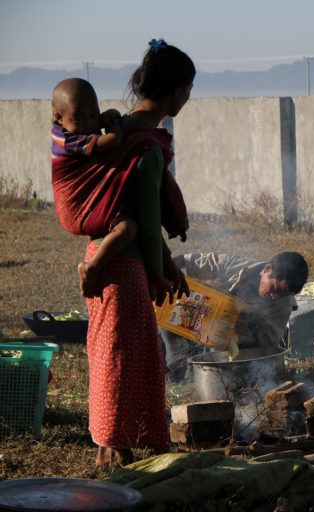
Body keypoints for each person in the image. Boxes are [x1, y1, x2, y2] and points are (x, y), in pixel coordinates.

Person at [82, 38, 195, 467]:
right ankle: (113, 447)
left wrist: (168, 266)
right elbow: (147, 222)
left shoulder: (120, 129)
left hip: (102, 256)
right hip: (123, 265)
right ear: (174, 91)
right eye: (187, 89)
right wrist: (160, 271)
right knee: (121, 358)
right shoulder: (147, 145)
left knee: (117, 351)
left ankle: (123, 440)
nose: (187, 98)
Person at [50, 77, 138, 298]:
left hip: (81, 205)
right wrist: (114, 127)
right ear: (59, 117)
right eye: (79, 118)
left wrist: (107, 116)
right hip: (75, 208)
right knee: (127, 228)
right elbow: (113, 141)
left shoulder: (74, 128)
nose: (89, 123)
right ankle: (92, 266)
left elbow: (98, 124)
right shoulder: (68, 140)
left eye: (93, 114)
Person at [160, 251, 309, 381]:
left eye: (282, 294)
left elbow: (267, 345)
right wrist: (163, 266)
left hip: (233, 345)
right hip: (202, 318)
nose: (275, 296)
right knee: (171, 317)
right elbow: (192, 261)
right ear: (266, 269)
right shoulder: (240, 266)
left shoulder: (283, 307)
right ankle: (177, 373)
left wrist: (242, 331)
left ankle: (195, 378)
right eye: (274, 289)